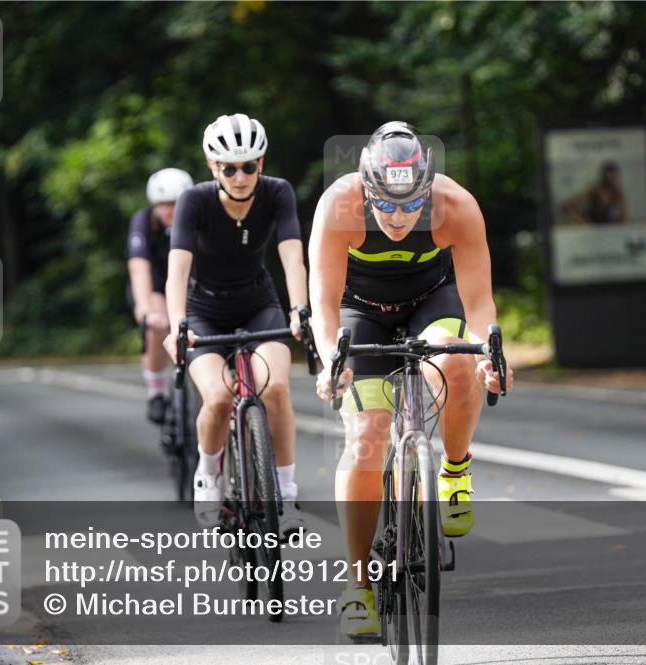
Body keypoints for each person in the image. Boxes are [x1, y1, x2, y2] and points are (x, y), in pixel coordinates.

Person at [308, 121, 513, 637]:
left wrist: (491, 351)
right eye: (387, 205)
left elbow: (480, 300)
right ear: (367, 191)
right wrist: (332, 358)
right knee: (366, 440)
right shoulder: (338, 206)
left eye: (411, 206)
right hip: (361, 311)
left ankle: (455, 470)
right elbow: (324, 307)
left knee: (456, 359)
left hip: (432, 301)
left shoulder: (456, 205)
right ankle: (357, 585)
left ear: (426, 190)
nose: (399, 218)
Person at [163, 113, 309, 536]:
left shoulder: (278, 193)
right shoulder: (195, 201)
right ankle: (208, 476)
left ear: (261, 164)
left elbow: (292, 257)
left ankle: (285, 494)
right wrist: (178, 326)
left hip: (258, 303)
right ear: (213, 168)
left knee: (277, 387)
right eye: (229, 168)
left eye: (249, 166)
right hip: (204, 309)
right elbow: (176, 272)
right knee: (220, 395)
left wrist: (299, 309)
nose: (240, 176)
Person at [128, 167, 194, 424]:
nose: (168, 210)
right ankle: (156, 392)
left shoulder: (197, 218)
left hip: (191, 285)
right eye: (162, 204)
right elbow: (138, 265)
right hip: (155, 287)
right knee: (157, 324)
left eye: (175, 204)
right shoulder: (143, 221)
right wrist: (145, 309)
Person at [560, 161, 628, 225]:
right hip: (591, 219)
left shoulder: (617, 191)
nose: (610, 179)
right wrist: (584, 222)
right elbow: (572, 202)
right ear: (604, 176)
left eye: (613, 177)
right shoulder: (595, 188)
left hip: (606, 221)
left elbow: (623, 213)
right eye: (608, 176)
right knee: (567, 209)